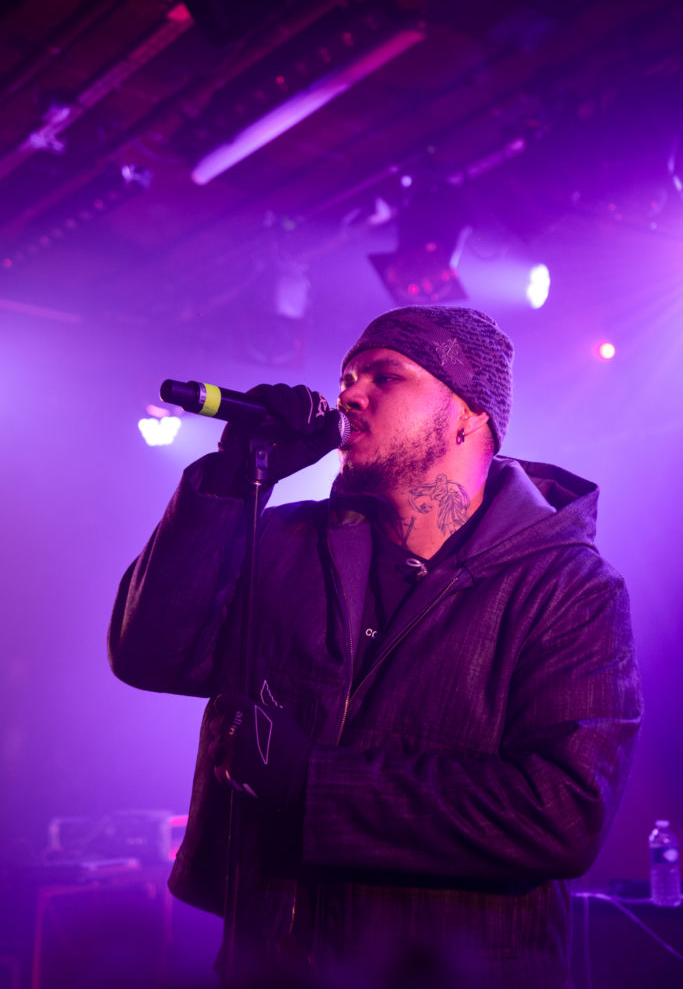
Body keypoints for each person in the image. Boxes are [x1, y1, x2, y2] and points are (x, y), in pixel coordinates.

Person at [108, 306, 642, 988]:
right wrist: (232, 480)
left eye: (384, 376)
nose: (349, 396)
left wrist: (312, 783)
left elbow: (561, 815)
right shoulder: (286, 541)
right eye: (347, 378)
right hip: (275, 966)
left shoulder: (567, 586)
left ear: (469, 412)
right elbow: (151, 653)